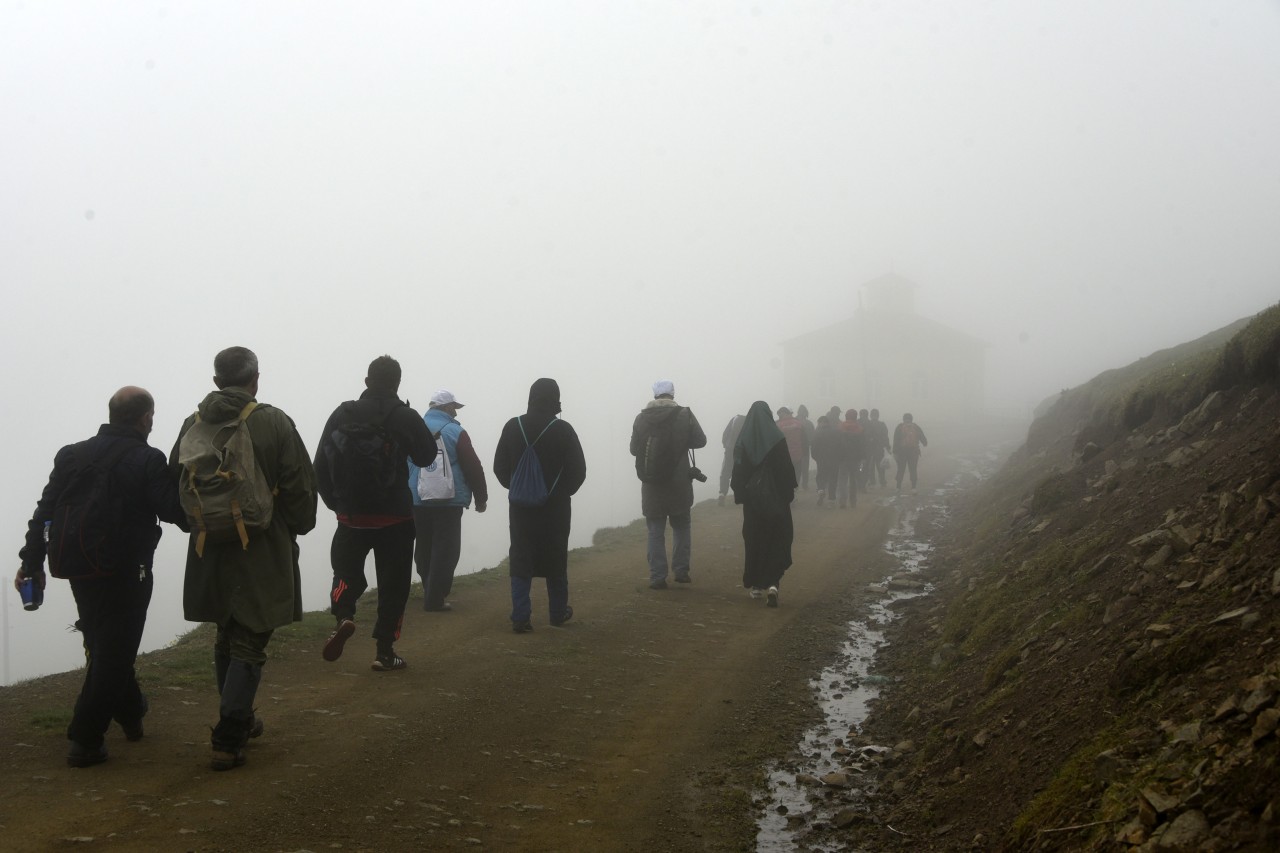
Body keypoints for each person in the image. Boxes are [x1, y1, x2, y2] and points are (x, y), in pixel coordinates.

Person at [16, 387, 185, 768]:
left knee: (106, 642)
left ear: (111, 414)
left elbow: (45, 512)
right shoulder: (147, 458)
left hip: (79, 565)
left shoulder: (72, 454)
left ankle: (131, 711)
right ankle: (86, 738)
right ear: (146, 418)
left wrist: (32, 563)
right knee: (114, 651)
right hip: (128, 570)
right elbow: (176, 512)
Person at [171, 348, 317, 771]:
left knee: (225, 631)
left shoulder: (192, 423)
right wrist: (296, 526)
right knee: (251, 636)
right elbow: (299, 486)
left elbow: (174, 483)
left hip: (209, 545)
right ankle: (229, 735)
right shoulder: (273, 421)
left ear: (217, 380)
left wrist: (201, 523)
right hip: (263, 543)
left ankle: (241, 716)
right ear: (255, 378)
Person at [314, 356, 437, 673]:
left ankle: (344, 617)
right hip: (395, 516)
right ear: (397, 383)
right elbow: (425, 457)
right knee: (394, 585)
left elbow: (319, 467)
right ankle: (385, 651)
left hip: (351, 516)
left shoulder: (343, 413)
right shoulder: (404, 416)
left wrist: (339, 506)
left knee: (345, 572)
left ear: (367, 381)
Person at [492, 378, 587, 633]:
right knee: (556, 557)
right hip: (555, 509)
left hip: (521, 508)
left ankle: (520, 616)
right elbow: (578, 471)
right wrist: (560, 493)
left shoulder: (513, 427)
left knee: (521, 557)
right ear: (555, 399)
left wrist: (518, 488)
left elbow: (499, 468)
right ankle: (557, 613)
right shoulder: (564, 429)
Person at [407, 389, 489, 612]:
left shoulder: (414, 429)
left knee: (424, 545)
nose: (455, 412)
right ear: (444, 408)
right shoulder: (455, 432)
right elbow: (473, 466)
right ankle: (435, 597)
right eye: (453, 407)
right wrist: (481, 498)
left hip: (418, 498)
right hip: (448, 500)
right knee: (447, 549)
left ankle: (429, 589)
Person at [629, 380, 707, 590]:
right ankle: (681, 572)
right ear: (672, 394)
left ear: (654, 395)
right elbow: (701, 441)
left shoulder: (641, 418)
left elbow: (634, 450)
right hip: (679, 481)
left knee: (655, 529)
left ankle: (657, 577)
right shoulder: (684, 415)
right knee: (681, 525)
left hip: (652, 483)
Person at [730, 401, 797, 607]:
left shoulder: (743, 440)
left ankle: (757, 586)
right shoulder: (777, 439)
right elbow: (787, 471)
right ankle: (773, 584)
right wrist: (786, 496)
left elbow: (738, 473)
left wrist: (741, 495)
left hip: (753, 504)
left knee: (754, 541)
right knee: (777, 540)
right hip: (776, 501)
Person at [809, 414, 843, 507]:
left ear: (820, 423)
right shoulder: (836, 432)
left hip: (821, 459)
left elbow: (813, 448)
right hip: (834, 460)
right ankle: (831, 500)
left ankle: (821, 490)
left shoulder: (816, 433)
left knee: (821, 476)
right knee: (833, 478)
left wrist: (816, 458)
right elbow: (841, 446)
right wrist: (839, 458)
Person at [893, 412, 930, 493]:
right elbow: (924, 439)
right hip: (913, 452)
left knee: (901, 469)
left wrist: (895, 452)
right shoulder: (916, 427)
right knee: (913, 469)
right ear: (912, 419)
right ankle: (913, 488)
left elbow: (895, 440)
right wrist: (924, 443)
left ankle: (898, 487)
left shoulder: (900, 427)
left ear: (903, 419)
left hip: (902, 452)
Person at [837, 409, 867, 509]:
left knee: (842, 479)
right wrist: (863, 457)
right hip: (855, 459)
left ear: (846, 416)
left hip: (842, 458)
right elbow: (863, 445)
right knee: (853, 480)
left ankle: (842, 500)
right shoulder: (860, 428)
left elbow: (836, 443)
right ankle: (853, 501)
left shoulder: (840, 427)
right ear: (855, 416)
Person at [775, 407, 808, 489]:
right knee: (796, 473)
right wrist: (805, 452)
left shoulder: (777, 425)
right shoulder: (798, 424)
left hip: (783, 455)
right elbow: (804, 440)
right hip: (797, 454)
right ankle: (794, 491)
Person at [717, 413, 746, 506]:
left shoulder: (734, 419)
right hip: (742, 451)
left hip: (730, 450)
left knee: (726, 472)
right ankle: (739, 495)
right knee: (740, 472)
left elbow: (725, 434)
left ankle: (722, 493)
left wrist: (726, 445)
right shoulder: (749, 421)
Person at [868, 408, 892, 488]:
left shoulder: (868, 424)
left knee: (870, 466)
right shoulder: (882, 424)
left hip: (870, 449)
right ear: (878, 415)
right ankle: (882, 481)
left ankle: (872, 482)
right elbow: (885, 437)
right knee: (880, 466)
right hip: (879, 448)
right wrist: (888, 447)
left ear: (870, 415)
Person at [795, 405, 816, 491]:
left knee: (796, 468)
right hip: (805, 448)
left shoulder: (794, 422)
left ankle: (795, 485)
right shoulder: (809, 423)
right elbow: (813, 437)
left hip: (794, 448)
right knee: (804, 468)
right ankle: (805, 485)